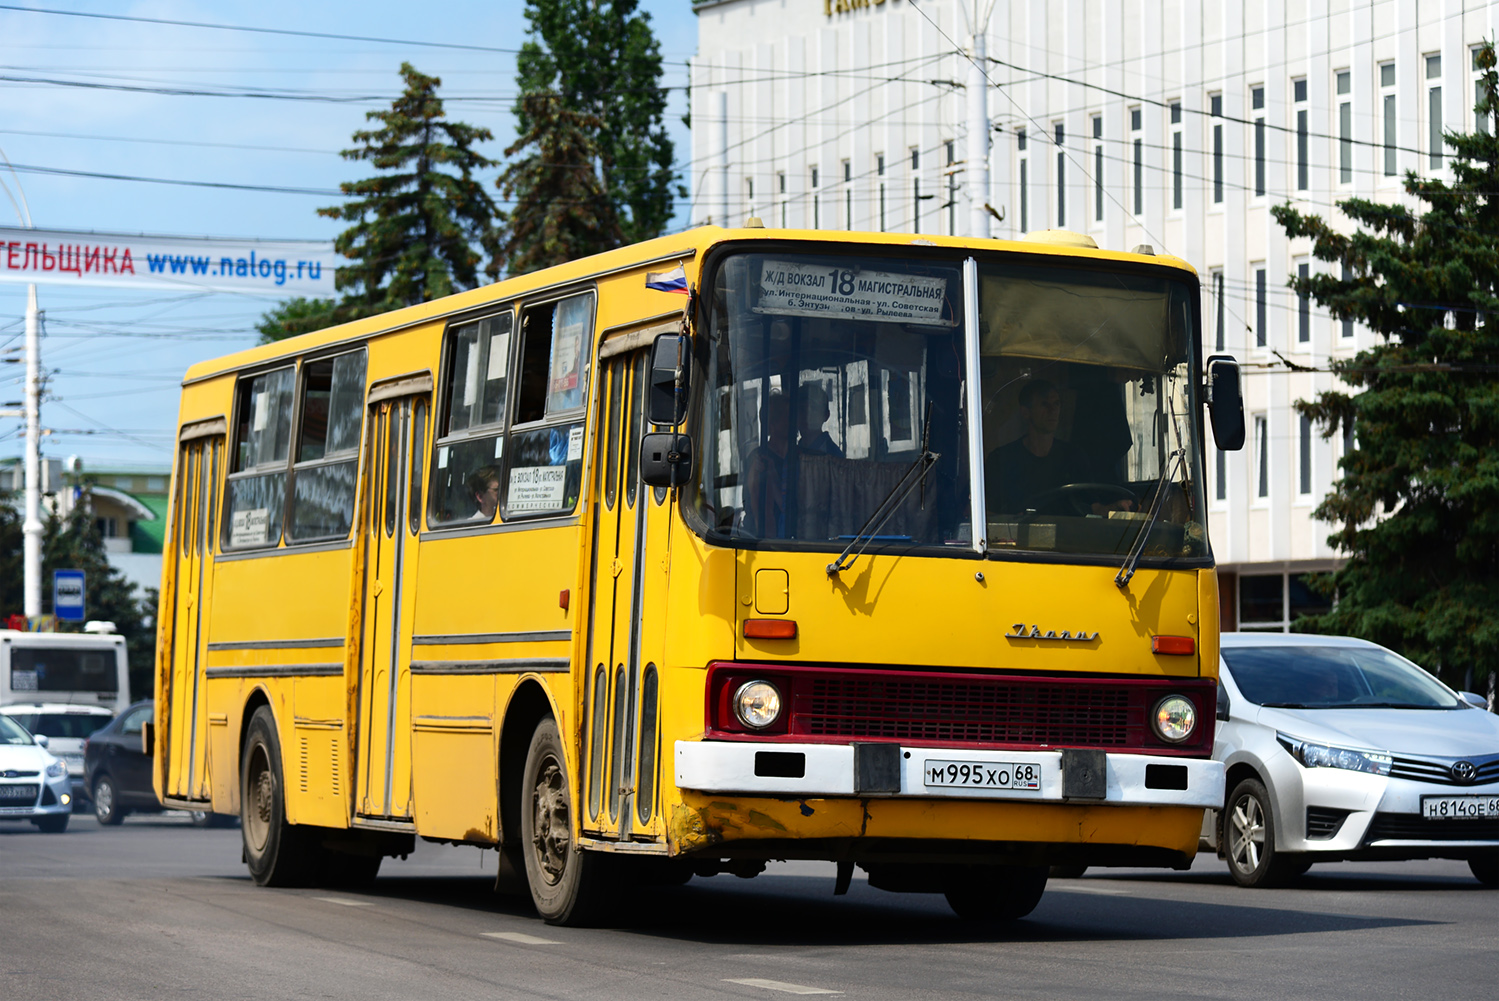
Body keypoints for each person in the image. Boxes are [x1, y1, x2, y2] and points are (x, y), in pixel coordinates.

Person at [987, 380, 1132, 514]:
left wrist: (1115, 508)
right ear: (1026, 412)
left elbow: (1094, 508)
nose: (1052, 410)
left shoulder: (1074, 457)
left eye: (1056, 404)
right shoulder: (1002, 460)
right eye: (1044, 404)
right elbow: (989, 513)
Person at [742, 391, 794, 537]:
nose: (792, 422)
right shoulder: (759, 459)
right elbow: (754, 506)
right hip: (763, 538)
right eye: (786, 417)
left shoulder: (798, 455)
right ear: (772, 425)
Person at [797, 383, 844, 457]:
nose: (806, 415)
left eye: (814, 409)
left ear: (826, 415)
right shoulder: (791, 452)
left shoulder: (834, 456)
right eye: (802, 409)